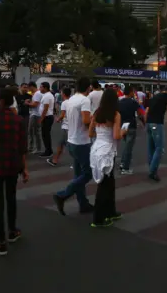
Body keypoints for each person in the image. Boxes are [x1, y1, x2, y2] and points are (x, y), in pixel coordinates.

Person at [0, 88, 29, 255]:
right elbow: (22, 147)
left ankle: (1, 240)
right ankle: (12, 230)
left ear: (2, 101)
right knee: (11, 197)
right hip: (13, 163)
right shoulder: (18, 120)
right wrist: (24, 168)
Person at [52, 77, 94, 216]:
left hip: (72, 140)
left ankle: (83, 204)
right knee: (88, 173)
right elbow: (87, 121)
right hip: (82, 141)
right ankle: (63, 194)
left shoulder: (70, 101)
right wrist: (95, 118)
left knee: (78, 174)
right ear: (88, 88)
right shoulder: (85, 100)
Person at [89, 88, 126, 228]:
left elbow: (90, 133)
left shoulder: (97, 113)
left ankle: (111, 211)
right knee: (105, 185)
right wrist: (123, 131)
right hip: (108, 150)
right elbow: (116, 136)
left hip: (97, 149)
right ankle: (98, 218)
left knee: (109, 182)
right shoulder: (115, 114)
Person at [145, 85, 167, 182]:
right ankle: (152, 171)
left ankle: (151, 167)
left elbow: (147, 110)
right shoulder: (166, 96)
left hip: (149, 122)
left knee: (151, 147)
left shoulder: (154, 97)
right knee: (159, 148)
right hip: (157, 123)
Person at [118, 86, 140, 175]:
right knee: (129, 148)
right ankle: (125, 167)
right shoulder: (133, 102)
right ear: (130, 92)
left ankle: (123, 162)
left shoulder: (119, 102)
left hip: (122, 125)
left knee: (126, 145)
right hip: (131, 125)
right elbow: (139, 113)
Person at [47, 87, 71, 167]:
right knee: (61, 144)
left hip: (66, 127)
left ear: (63, 94)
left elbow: (63, 115)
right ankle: (55, 160)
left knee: (68, 146)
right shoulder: (72, 101)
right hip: (69, 126)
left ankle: (78, 163)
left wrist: (57, 119)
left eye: (61, 92)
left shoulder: (64, 103)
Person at [38, 81, 55, 158]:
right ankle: (48, 150)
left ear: (45, 88)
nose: (40, 88)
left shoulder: (47, 96)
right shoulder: (47, 95)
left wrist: (41, 119)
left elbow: (45, 108)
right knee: (45, 135)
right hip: (47, 117)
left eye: (41, 87)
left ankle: (48, 151)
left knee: (45, 135)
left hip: (47, 117)